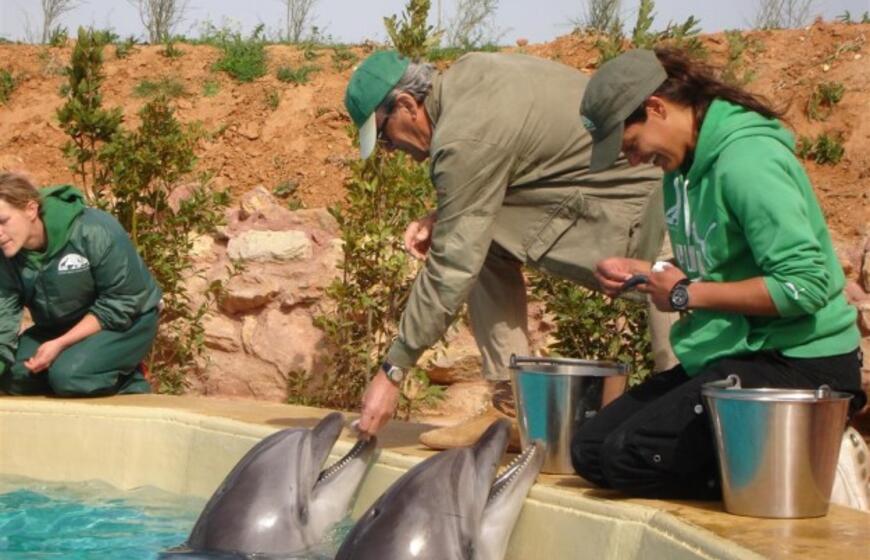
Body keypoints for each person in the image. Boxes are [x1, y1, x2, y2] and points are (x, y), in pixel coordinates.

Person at [344, 50, 678, 448]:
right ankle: (512, 407)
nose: (391, 150)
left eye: (385, 137)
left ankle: (690, 433)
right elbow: (526, 166)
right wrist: (444, 215)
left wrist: (393, 371)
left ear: (406, 105)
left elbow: (452, 264)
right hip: (624, 197)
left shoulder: (464, 136)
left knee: (681, 380)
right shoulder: (472, 75)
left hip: (650, 215)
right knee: (476, 235)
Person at [571, 48, 865, 499]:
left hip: (800, 363)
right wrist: (648, 272)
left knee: (629, 457)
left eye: (630, 145)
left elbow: (803, 286)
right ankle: (770, 463)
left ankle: (808, 464)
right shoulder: (681, 170)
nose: (632, 160)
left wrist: (686, 295)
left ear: (656, 108)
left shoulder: (748, 162)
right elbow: (718, 267)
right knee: (590, 450)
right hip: (738, 354)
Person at [0, 172, 162, 397]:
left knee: (69, 378)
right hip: (59, 326)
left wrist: (61, 343)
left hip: (125, 323)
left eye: (3, 221)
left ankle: (129, 378)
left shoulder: (93, 230)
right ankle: (81, 368)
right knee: (13, 376)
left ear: (30, 209)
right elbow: (3, 316)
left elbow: (123, 301)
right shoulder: (7, 254)